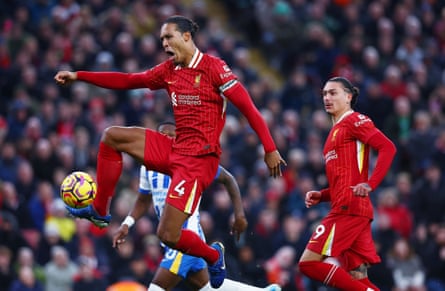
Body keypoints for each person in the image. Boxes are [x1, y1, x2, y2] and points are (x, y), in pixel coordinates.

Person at [54, 15, 286, 288]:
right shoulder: (170, 70)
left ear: (186, 36)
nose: (163, 43)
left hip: (199, 160)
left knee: (167, 234)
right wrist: (79, 76)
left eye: (169, 37)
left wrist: (270, 148)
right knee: (111, 136)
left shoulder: (214, 68)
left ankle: (213, 255)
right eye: (161, 38)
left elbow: (249, 109)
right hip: (175, 148)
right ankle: (100, 211)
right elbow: (129, 80)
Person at [112, 121, 282, 291]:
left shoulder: (192, 161)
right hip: (180, 239)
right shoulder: (147, 167)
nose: (168, 140)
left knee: (156, 289)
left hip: (185, 234)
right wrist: (127, 223)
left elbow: (228, 178)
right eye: (163, 136)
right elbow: (143, 200)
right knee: (206, 288)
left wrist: (239, 214)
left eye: (172, 137)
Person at [297, 77, 397, 291]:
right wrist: (322, 196)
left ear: (349, 97)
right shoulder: (333, 134)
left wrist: (371, 184)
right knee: (358, 277)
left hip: (348, 209)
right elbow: (344, 180)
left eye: (333, 93)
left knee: (308, 264)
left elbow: (388, 147)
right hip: (352, 208)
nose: (327, 97)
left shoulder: (355, 120)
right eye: (324, 93)